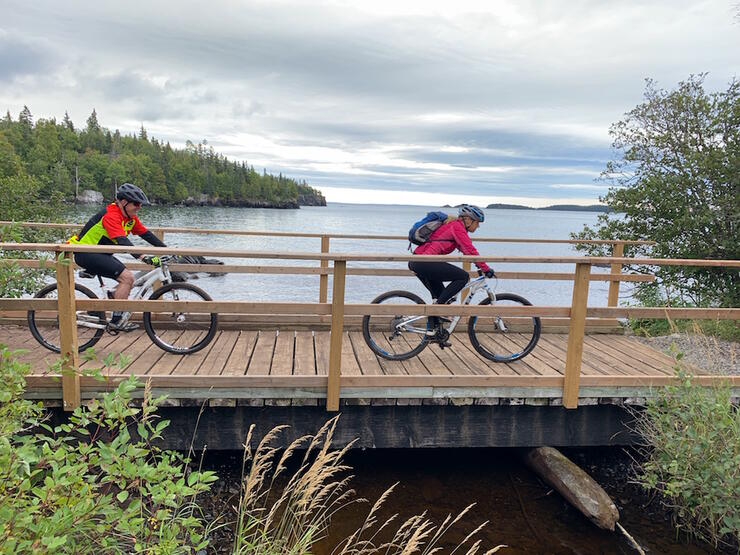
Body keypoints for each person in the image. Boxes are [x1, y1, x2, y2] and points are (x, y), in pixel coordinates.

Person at [68, 183, 166, 331]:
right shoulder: (112, 216)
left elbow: (146, 234)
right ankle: (116, 320)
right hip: (86, 253)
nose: (139, 207)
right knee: (127, 278)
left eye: (140, 204)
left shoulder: (129, 218)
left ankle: (114, 296)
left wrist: (167, 249)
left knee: (126, 279)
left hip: (99, 253)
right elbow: (123, 242)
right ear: (124, 202)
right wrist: (144, 258)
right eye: (136, 204)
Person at [409, 204, 495, 345]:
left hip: (419, 261)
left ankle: (434, 333)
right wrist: (485, 268)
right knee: (463, 277)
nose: (478, 226)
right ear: (468, 219)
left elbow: (466, 251)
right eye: (477, 223)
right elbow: (471, 250)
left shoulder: (455, 228)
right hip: (424, 262)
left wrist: (479, 265)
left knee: (440, 297)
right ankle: (437, 312)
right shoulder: (457, 227)